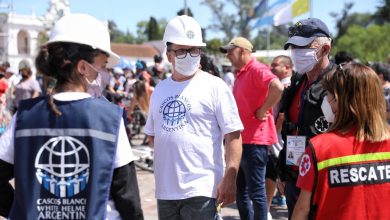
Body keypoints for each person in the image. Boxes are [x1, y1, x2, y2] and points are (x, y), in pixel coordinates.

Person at [0, 13, 143, 219]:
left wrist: (21, 208)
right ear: (83, 67)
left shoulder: (25, 116)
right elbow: (128, 199)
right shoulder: (109, 119)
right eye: (103, 66)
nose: (105, 73)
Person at [144, 15, 243, 220]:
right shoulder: (160, 90)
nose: (189, 55)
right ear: (169, 54)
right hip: (166, 190)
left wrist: (230, 177)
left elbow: (233, 135)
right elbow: (152, 136)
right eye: (181, 51)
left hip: (202, 189)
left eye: (194, 50)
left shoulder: (215, 86)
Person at [292, 63, 390, 219]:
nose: (326, 99)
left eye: (329, 94)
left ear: (340, 101)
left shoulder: (319, 148)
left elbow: (302, 210)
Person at [278, 18, 337, 219]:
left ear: (325, 48)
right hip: (294, 181)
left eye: (303, 46)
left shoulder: (340, 84)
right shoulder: (297, 82)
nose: (296, 52)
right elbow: (291, 131)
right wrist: (283, 172)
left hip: (326, 183)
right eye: (293, 46)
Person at [220, 37, 284, 220]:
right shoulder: (242, 72)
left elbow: (277, 87)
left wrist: (263, 109)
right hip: (243, 141)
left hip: (255, 141)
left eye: (230, 52)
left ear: (242, 51)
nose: (228, 56)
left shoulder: (257, 69)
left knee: (255, 193)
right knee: (242, 193)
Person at [266, 55, 294, 216]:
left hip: (280, 140)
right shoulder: (281, 85)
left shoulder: (286, 87)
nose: (272, 67)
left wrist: (273, 133)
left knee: (275, 174)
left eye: (275, 65)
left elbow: (282, 115)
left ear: (287, 68)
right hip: (280, 139)